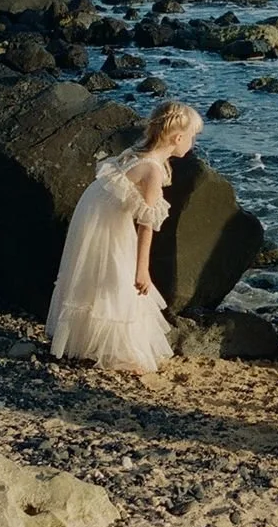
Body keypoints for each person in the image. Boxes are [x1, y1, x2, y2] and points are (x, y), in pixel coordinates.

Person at [44, 101, 203, 372]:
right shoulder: (153, 170)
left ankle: (91, 341)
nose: (193, 142)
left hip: (96, 210)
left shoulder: (141, 152)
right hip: (105, 220)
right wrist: (142, 270)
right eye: (192, 136)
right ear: (178, 138)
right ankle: (119, 349)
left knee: (103, 271)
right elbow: (146, 224)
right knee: (118, 275)